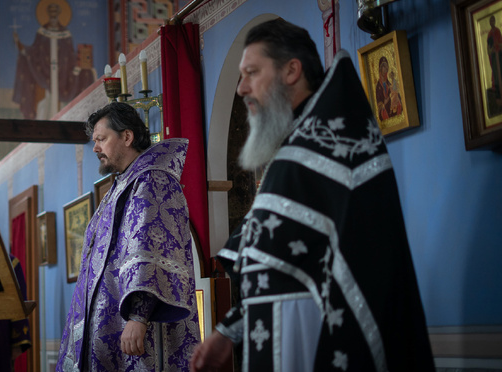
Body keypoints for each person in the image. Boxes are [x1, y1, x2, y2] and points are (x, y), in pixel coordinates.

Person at [190, 19, 434, 372]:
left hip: (312, 345)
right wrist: (229, 332)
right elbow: (275, 269)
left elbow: (358, 271)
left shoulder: (332, 148)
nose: (241, 88)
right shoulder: (294, 149)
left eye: (251, 73)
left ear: (291, 71)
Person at [57, 102, 200, 371]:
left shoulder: (152, 180)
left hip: (134, 326)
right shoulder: (121, 185)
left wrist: (138, 316)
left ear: (126, 136)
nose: (95, 148)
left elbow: (149, 250)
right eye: (94, 141)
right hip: (109, 322)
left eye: (101, 139)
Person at [12, 0, 80, 120]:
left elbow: (70, 54)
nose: (53, 16)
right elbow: (34, 51)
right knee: (43, 100)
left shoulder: (66, 33)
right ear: (48, 15)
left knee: (62, 100)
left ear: (59, 14)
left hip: (62, 74)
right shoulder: (42, 32)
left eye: (55, 13)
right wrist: (20, 45)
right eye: (51, 13)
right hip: (43, 73)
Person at [375, 56, 402, 121]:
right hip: (385, 112)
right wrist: (384, 103)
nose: (385, 69)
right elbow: (378, 105)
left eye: (386, 67)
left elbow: (395, 95)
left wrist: (397, 99)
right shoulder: (378, 87)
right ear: (380, 69)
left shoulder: (390, 84)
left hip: (392, 110)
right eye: (383, 67)